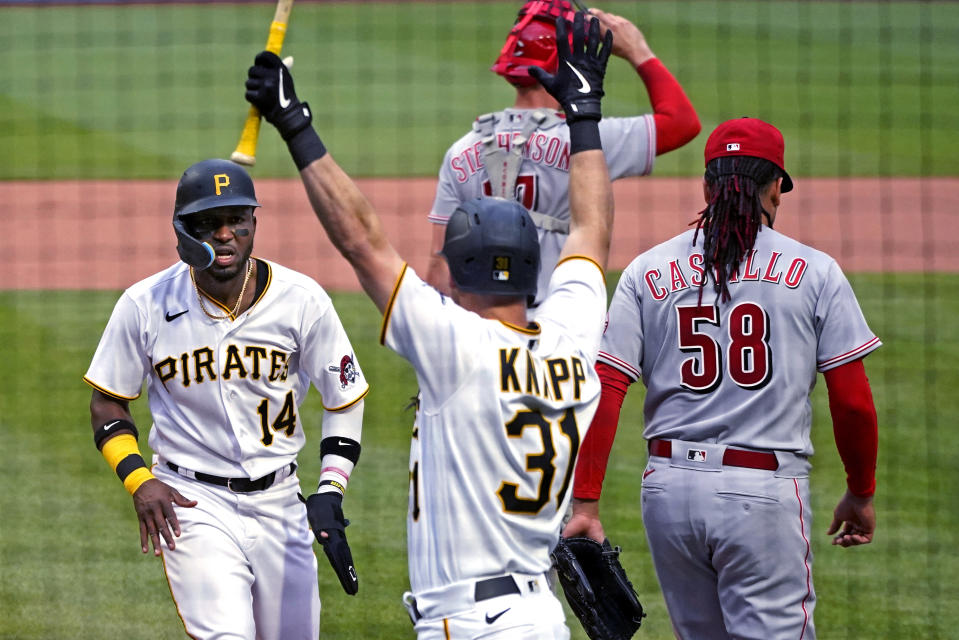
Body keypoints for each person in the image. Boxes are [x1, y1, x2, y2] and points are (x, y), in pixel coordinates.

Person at [246, 11, 615, 639]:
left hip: (473, 623)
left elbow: (364, 243)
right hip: (539, 615)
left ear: (464, 273)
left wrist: (294, 125)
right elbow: (591, 232)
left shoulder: (456, 348)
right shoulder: (574, 339)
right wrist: (584, 120)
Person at [563, 117, 881, 639]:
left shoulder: (647, 271)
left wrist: (586, 502)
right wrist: (860, 493)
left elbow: (605, 389)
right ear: (776, 186)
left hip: (669, 495)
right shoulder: (816, 272)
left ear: (708, 186)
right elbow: (853, 405)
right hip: (763, 496)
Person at [83, 158, 368, 639]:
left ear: (254, 223)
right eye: (209, 224)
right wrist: (139, 480)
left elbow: (344, 397)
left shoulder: (302, 299)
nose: (225, 234)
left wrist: (331, 489)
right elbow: (107, 402)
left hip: (282, 502)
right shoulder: (144, 304)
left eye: (237, 220)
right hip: (194, 505)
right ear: (183, 231)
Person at [426, 0, 700, 307]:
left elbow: (439, 273)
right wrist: (638, 51)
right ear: (569, 60)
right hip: (563, 333)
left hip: (484, 335)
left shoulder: (461, 151)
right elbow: (682, 123)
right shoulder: (590, 141)